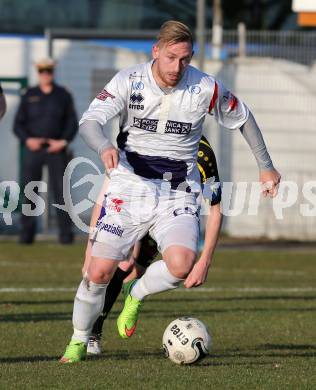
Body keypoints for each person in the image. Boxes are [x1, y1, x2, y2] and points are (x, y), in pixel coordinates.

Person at [60, 20, 281, 363]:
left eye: (185, 59)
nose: (178, 67)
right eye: (171, 58)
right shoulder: (128, 80)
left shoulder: (205, 87)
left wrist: (265, 165)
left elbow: (244, 117)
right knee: (98, 272)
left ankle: (137, 291)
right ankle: (78, 339)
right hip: (129, 186)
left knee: (181, 265)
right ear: (156, 51)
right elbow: (90, 121)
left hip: (177, 191)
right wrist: (103, 146)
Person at [86, 135, 222, 355]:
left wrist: (205, 260)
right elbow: (106, 193)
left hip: (170, 216)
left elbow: (215, 208)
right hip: (132, 209)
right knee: (119, 266)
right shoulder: (140, 134)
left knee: (136, 270)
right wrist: (92, 241)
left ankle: (134, 293)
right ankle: (93, 333)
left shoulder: (202, 153)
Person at [13, 58, 78, 244]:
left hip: (56, 149)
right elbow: (18, 124)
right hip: (34, 150)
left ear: (52, 72)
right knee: (30, 192)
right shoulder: (29, 94)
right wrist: (28, 140)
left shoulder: (63, 95)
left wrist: (63, 141)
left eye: (48, 71)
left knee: (61, 193)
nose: (45, 75)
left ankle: (66, 236)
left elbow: (71, 123)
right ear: (38, 73)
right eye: (42, 71)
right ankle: (26, 235)